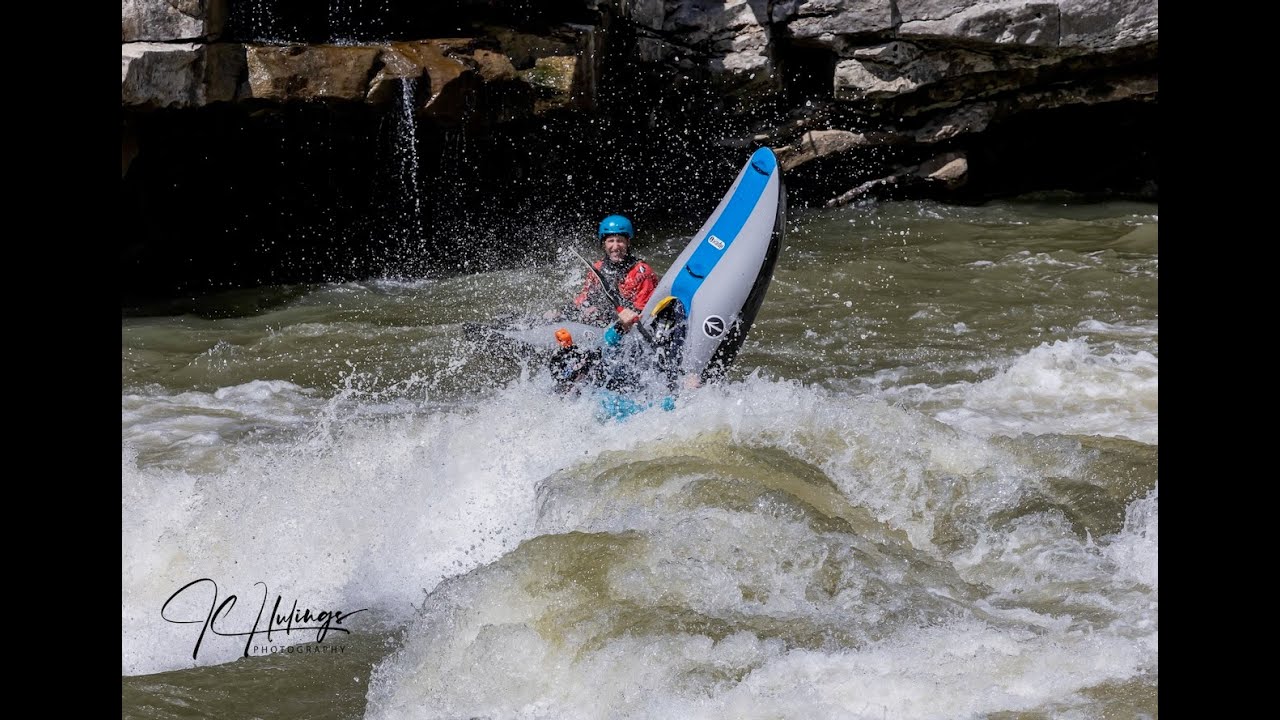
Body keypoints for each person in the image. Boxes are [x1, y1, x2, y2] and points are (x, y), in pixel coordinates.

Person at [567, 215, 659, 331]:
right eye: (611, 241)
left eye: (620, 241)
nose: (615, 247)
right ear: (604, 243)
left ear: (628, 242)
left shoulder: (641, 272)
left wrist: (623, 320)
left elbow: (645, 312)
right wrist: (563, 311)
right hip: (603, 322)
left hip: (628, 327)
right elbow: (584, 298)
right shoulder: (597, 269)